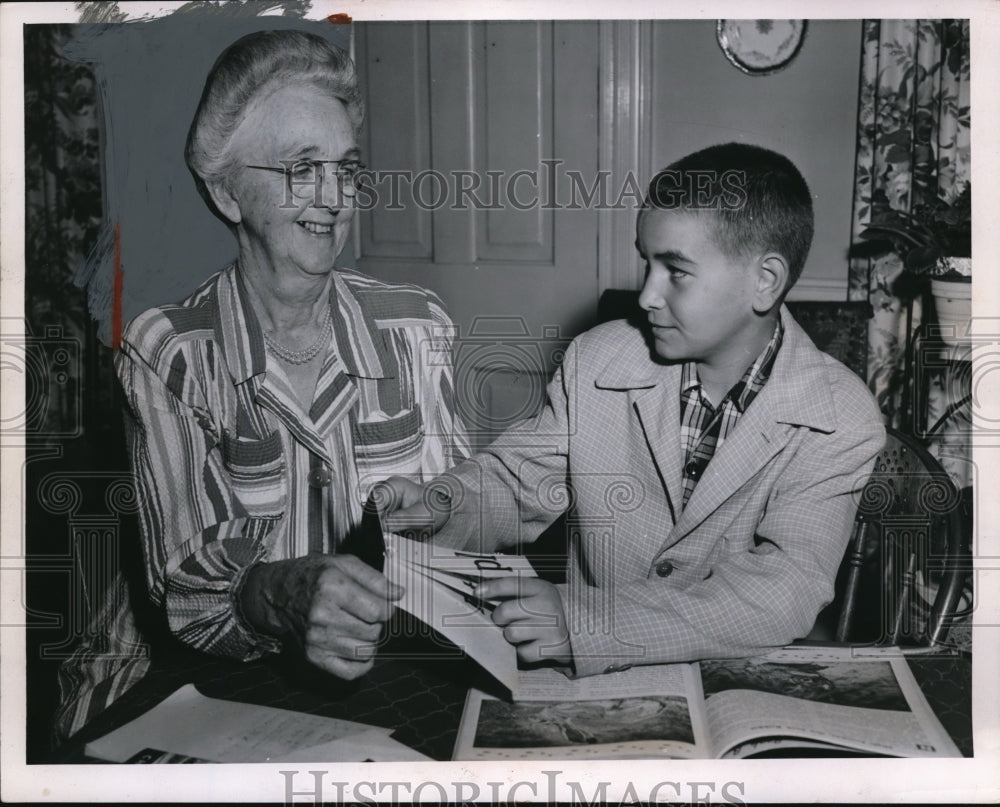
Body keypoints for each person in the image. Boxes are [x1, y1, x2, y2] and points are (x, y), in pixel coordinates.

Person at [54, 29, 469, 741]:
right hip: (204, 677)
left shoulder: (416, 327)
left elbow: (462, 536)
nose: (334, 197)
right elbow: (190, 596)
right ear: (225, 192)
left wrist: (443, 512)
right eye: (301, 168)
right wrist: (283, 593)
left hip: (386, 665)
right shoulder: (169, 352)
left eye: (346, 167)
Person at [383, 143, 885, 678]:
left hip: (732, 684)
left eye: (676, 271)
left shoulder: (842, 416)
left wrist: (588, 623)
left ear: (764, 282)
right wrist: (440, 506)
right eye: (648, 263)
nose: (646, 294)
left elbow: (782, 590)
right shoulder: (597, 359)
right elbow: (516, 485)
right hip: (591, 683)